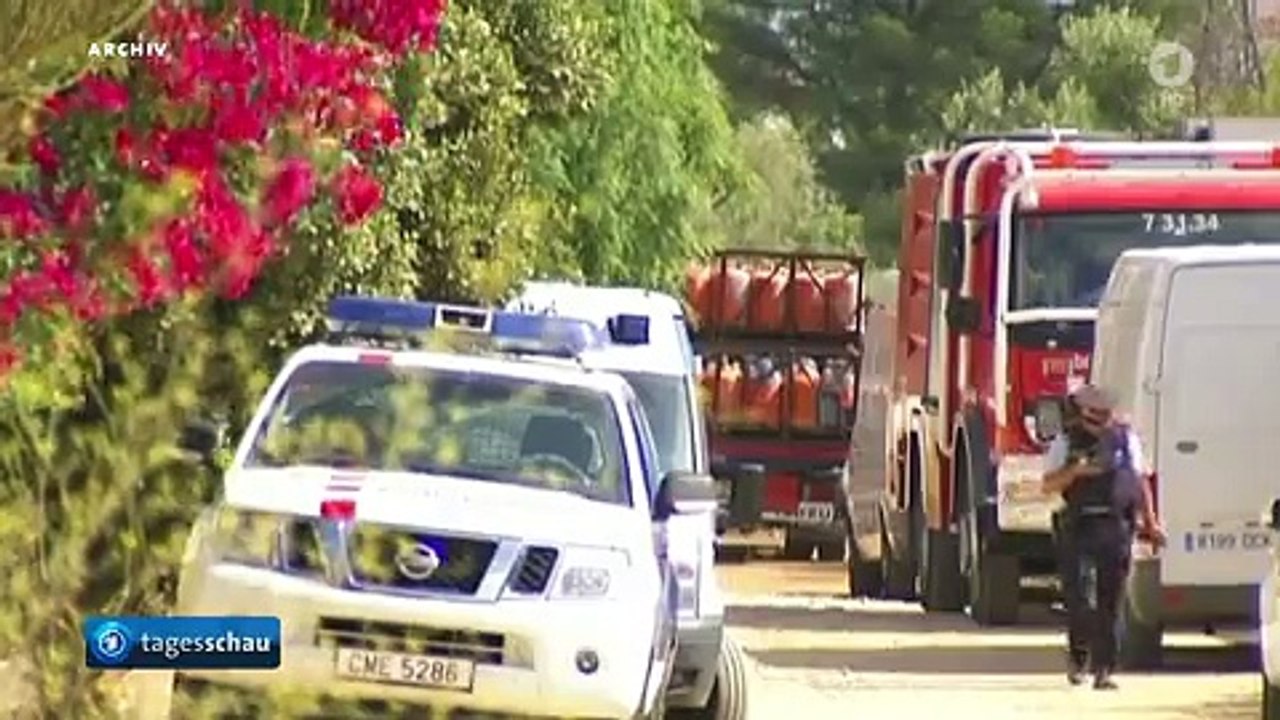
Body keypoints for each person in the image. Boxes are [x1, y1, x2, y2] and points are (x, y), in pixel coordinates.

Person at [1041, 384, 1166, 690]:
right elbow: (1047, 485)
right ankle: (1079, 657)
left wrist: (1151, 524)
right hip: (1077, 526)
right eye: (1093, 413)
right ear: (1081, 412)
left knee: (1111, 600)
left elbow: (1139, 483)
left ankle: (1104, 670)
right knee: (1079, 599)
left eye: (1104, 413)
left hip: (1116, 527)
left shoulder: (1126, 440)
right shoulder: (1066, 443)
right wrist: (1076, 472)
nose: (1099, 418)